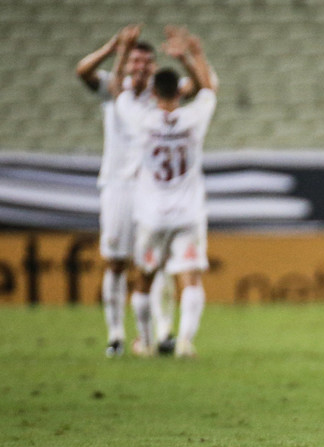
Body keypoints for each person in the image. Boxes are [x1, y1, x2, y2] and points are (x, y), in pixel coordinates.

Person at [115, 26, 217, 358]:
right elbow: (208, 89)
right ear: (179, 91)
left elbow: (119, 93)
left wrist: (122, 54)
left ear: (155, 93)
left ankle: (145, 341)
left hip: (152, 214)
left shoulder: (143, 121)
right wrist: (192, 55)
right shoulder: (193, 118)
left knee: (144, 278)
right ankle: (185, 341)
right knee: (189, 277)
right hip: (188, 212)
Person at [76, 25, 177, 357]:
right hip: (117, 186)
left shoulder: (160, 95)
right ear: (127, 62)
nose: (141, 67)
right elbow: (83, 70)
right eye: (136, 61)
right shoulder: (111, 87)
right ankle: (116, 334)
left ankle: (158, 334)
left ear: (154, 66)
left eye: (147, 62)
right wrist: (113, 47)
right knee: (117, 262)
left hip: (151, 188)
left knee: (154, 263)